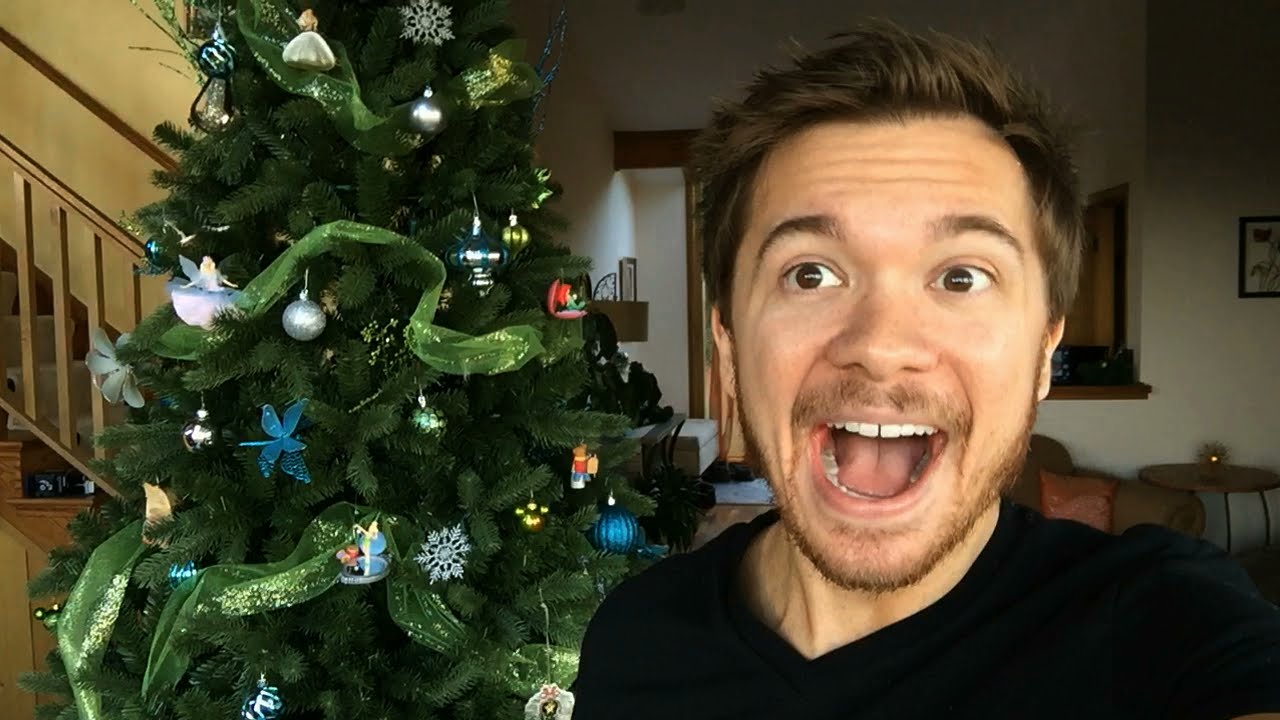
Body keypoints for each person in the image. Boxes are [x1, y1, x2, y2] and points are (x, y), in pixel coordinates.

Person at [571, 21, 1280, 720]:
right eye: (810, 274)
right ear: (727, 345)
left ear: (1043, 352)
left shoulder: (1166, 624)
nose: (881, 346)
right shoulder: (636, 640)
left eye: (962, 277)